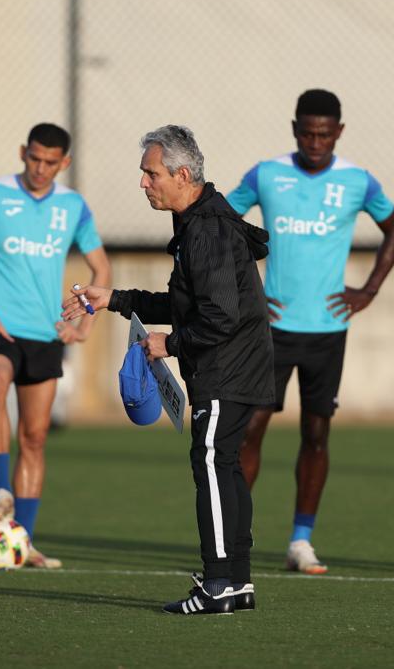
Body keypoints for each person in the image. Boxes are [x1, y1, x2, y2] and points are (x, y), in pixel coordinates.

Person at [63, 125, 275, 615]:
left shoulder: (206, 229)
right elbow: (189, 303)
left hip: (228, 368)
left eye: (150, 173)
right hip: (232, 366)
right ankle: (236, 582)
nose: (143, 183)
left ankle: (220, 582)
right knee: (222, 464)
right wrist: (113, 298)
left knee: (210, 462)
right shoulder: (197, 221)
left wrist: (171, 343)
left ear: (182, 174)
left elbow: (220, 315)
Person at [227, 89, 394, 574]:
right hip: (271, 330)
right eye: (307, 132)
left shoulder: (357, 180)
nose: (315, 141)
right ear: (294, 129)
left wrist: (368, 290)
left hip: (328, 329)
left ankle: (301, 541)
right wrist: (248, 293)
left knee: (317, 433)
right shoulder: (266, 174)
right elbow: (220, 224)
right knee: (250, 431)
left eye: (325, 134)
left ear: (339, 133)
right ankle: (235, 537)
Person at [0, 123, 110, 569]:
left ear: (64, 163)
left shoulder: (73, 207)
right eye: (33, 158)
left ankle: (24, 542)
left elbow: (101, 271)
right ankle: (1, 490)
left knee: (34, 437)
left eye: (49, 162)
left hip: (45, 334)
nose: (39, 168)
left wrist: (84, 327)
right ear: (23, 152)